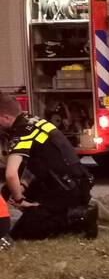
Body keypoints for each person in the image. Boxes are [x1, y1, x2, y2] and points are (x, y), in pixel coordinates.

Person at [0, 95, 97, 240]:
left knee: (23, 232)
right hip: (72, 182)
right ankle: (43, 210)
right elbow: (36, 162)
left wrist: (19, 200)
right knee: (8, 190)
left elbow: (10, 174)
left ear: (5, 117)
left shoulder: (22, 131)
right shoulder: (31, 120)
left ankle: (79, 217)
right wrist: (23, 186)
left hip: (66, 189)